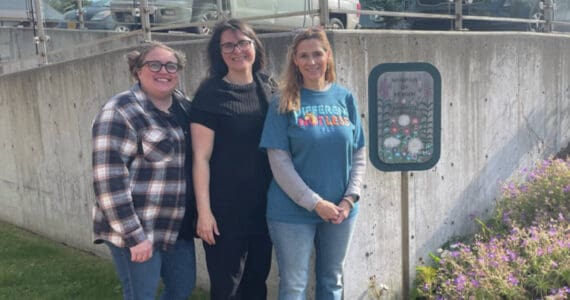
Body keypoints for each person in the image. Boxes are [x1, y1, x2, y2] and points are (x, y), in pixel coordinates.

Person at [259, 27, 366, 299]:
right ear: (295, 60)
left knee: (332, 280)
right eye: (304, 55)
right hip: (291, 213)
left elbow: (359, 153)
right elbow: (279, 162)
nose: (312, 61)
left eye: (317, 54)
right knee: (294, 285)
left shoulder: (345, 98)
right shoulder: (282, 102)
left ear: (328, 56)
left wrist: (349, 199)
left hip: (341, 211)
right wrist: (315, 203)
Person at [91, 41, 196, 300]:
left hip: (176, 226)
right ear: (137, 70)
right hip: (137, 228)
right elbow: (109, 181)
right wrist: (134, 236)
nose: (164, 71)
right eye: (155, 64)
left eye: (172, 65)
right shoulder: (120, 110)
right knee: (142, 295)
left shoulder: (184, 106)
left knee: (182, 289)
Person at [189, 19, 275, 300]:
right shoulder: (210, 94)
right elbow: (200, 158)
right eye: (228, 45)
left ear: (254, 45)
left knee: (256, 281)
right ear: (219, 51)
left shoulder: (268, 87)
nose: (237, 50)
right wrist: (204, 212)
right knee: (228, 287)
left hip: (264, 206)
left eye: (243, 42)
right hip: (224, 210)